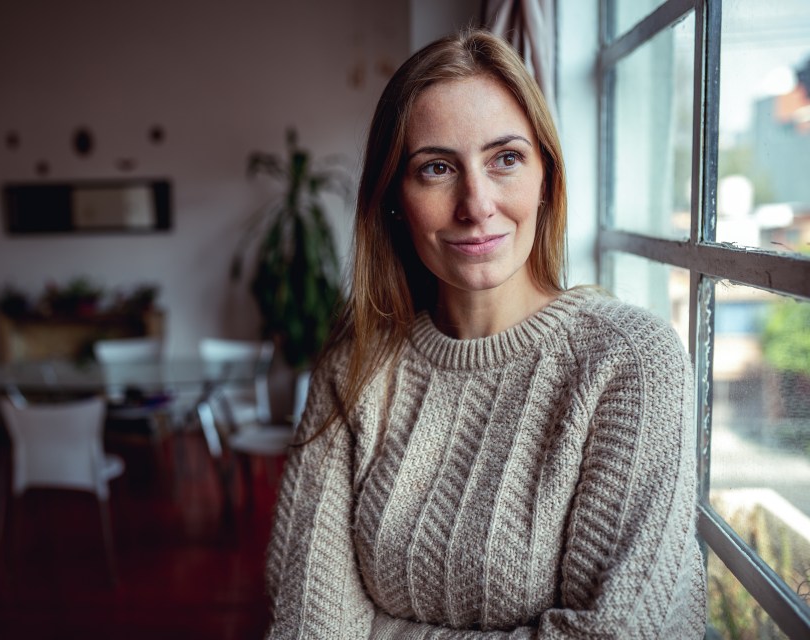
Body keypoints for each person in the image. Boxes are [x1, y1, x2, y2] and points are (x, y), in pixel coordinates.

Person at [265, 28, 707, 639]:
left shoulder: (630, 364)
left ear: (546, 177)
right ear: (395, 198)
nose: (476, 204)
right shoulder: (354, 367)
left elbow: (627, 632)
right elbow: (306, 627)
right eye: (437, 168)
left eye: (505, 159)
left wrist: (387, 631)